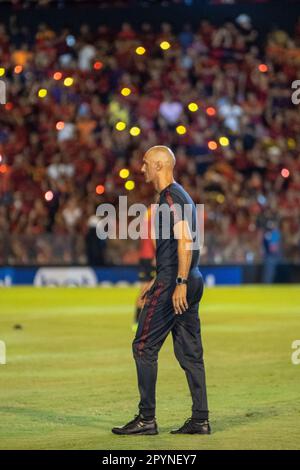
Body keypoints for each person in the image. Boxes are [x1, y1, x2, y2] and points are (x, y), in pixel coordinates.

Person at [112, 146, 210, 436]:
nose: (141, 169)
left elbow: (184, 241)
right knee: (191, 353)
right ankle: (200, 419)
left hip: (177, 282)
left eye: (144, 164)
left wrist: (176, 282)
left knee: (143, 347)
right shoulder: (183, 196)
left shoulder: (169, 197)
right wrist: (160, 279)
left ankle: (146, 419)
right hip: (189, 278)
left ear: (158, 165)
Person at [132, 206, 156, 332]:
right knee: (149, 289)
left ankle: (137, 320)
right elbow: (153, 234)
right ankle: (140, 321)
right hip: (151, 256)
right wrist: (158, 254)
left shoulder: (147, 211)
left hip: (144, 255)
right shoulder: (156, 211)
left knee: (145, 289)